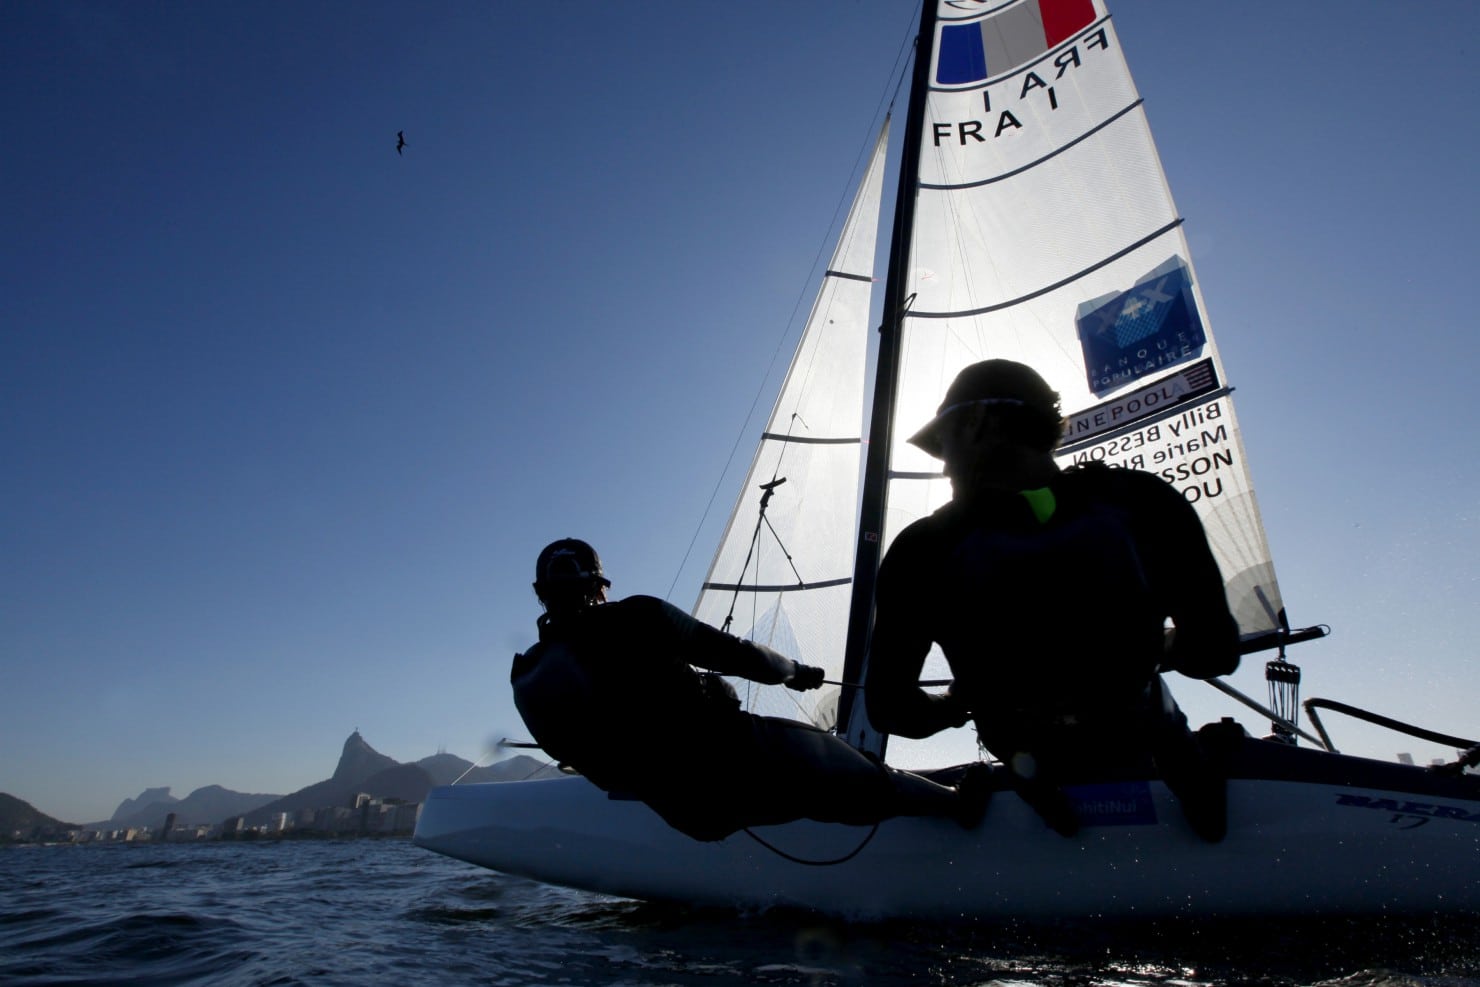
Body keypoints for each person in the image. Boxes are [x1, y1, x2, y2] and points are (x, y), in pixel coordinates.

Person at [863, 359, 1241, 841]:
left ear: (977, 421)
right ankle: (1202, 805)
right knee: (1151, 711)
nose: (943, 463)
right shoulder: (1143, 501)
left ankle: (1056, 816)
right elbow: (1216, 654)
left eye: (945, 443)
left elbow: (892, 712)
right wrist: (1150, 646)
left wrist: (963, 700)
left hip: (1027, 752)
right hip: (1137, 728)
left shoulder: (922, 547)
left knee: (1018, 743)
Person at [511, 538, 989, 842]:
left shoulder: (527, 680)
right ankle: (958, 804)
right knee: (852, 776)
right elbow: (740, 656)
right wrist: (796, 671)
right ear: (599, 586)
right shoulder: (638, 616)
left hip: (689, 814)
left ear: (541, 593)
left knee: (809, 794)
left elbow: (584, 757)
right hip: (736, 760)